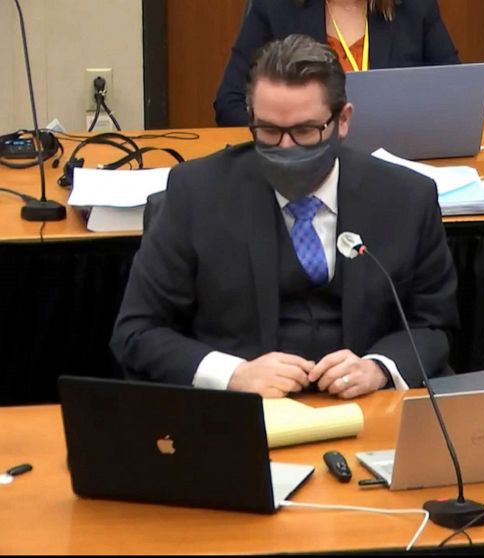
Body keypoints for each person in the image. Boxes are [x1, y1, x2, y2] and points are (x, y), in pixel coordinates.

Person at [112, 34, 459, 399]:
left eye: (305, 131)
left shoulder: (406, 198)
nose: (286, 147)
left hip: (367, 408)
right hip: (244, 412)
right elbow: (137, 331)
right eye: (269, 130)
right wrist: (233, 374)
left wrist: (378, 368)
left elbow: (435, 325)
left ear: (343, 120)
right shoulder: (197, 194)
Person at [214, 0, 460, 126]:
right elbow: (229, 103)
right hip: (306, 163)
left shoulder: (415, 6)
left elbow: (456, 94)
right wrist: (293, 133)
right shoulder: (276, 7)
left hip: (396, 164)